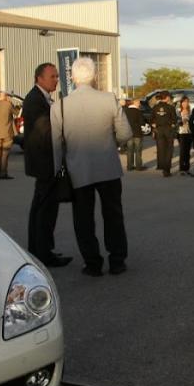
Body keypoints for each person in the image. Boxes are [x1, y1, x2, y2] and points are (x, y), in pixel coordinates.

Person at [50, 57, 131, 277]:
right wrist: (109, 144)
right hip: (108, 168)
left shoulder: (60, 106)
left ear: (73, 78)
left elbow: (56, 146)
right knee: (113, 214)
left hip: (78, 171)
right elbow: (125, 134)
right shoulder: (109, 99)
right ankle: (117, 260)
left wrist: (58, 171)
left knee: (83, 219)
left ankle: (93, 263)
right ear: (94, 76)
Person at [23, 63, 72, 268]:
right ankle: (43, 253)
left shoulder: (42, 98)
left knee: (41, 208)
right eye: (52, 76)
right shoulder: (35, 100)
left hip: (44, 162)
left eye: (57, 76)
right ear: (39, 78)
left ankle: (39, 249)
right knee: (45, 210)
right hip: (45, 163)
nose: (56, 79)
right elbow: (46, 130)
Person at [0, 87, 17, 179]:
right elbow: (17, 113)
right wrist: (17, 105)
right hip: (7, 132)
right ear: (6, 96)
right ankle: (3, 173)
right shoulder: (8, 105)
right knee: (5, 153)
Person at [151, 91, 176, 176]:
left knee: (161, 149)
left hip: (159, 130)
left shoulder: (155, 107)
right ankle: (166, 169)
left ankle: (161, 166)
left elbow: (152, 119)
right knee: (169, 150)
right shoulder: (170, 107)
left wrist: (155, 125)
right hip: (168, 129)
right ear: (167, 97)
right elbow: (174, 120)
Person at [123, 98, 145, 171]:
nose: (139, 104)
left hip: (128, 133)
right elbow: (142, 122)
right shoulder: (138, 112)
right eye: (139, 103)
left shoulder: (125, 111)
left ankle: (129, 166)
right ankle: (138, 167)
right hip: (137, 133)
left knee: (129, 150)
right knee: (138, 151)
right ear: (135, 103)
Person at [176, 96, 194, 175]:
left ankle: (187, 168)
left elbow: (193, 121)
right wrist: (181, 121)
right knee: (182, 151)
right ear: (181, 103)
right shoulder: (178, 111)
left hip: (189, 132)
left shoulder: (190, 111)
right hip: (181, 133)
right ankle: (181, 169)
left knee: (187, 151)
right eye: (183, 102)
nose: (185, 103)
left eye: (187, 102)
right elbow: (176, 121)